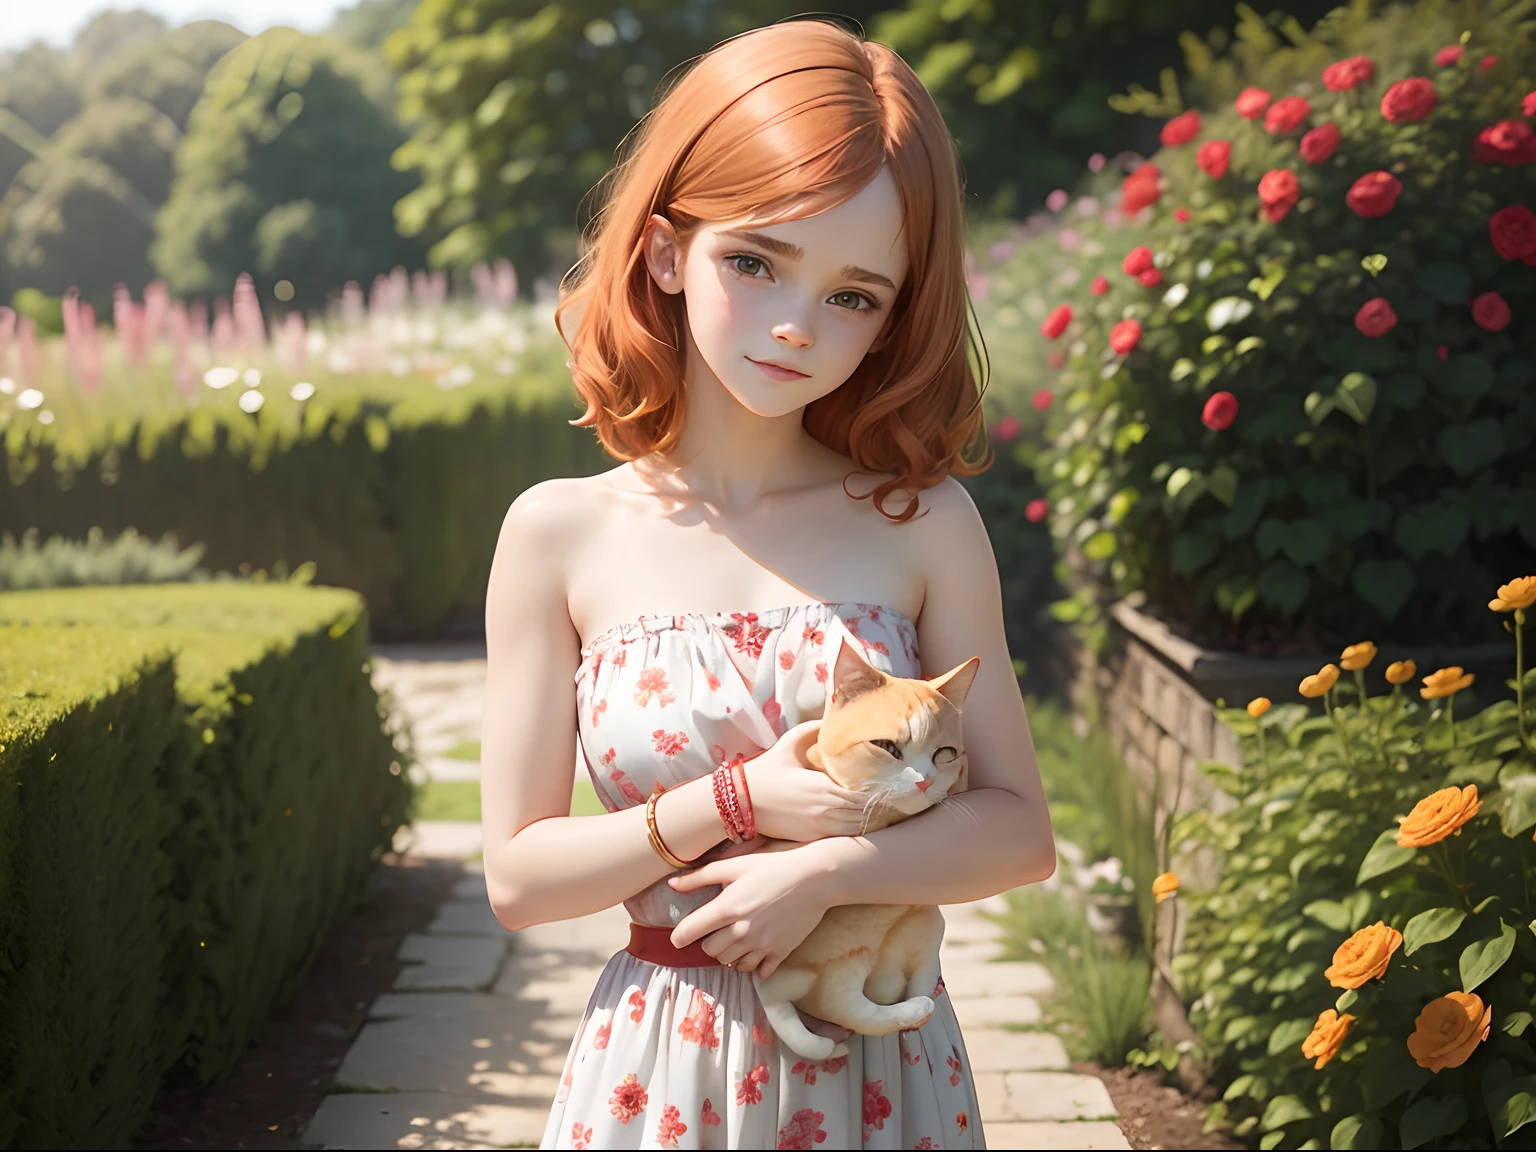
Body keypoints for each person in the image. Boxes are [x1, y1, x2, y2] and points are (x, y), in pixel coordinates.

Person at [479, 18, 1055, 1150]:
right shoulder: (558, 532)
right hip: (663, 1061)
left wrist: (833, 871)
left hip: (883, 1072)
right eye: (754, 261)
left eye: (856, 295)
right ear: (661, 253)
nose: (797, 326)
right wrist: (738, 806)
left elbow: (1019, 832)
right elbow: (520, 877)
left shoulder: (920, 518)